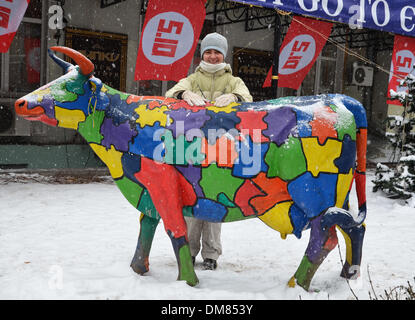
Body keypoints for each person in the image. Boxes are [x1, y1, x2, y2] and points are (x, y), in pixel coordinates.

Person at [165, 32, 253, 270]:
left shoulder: (232, 80)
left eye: (217, 52)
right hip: (193, 150)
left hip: (223, 151)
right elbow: (170, 94)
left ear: (223, 55)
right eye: (208, 52)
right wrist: (184, 94)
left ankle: (212, 254)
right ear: (202, 53)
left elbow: (247, 97)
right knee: (193, 203)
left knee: (215, 201)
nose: (212, 56)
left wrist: (234, 96)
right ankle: (190, 251)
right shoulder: (192, 79)